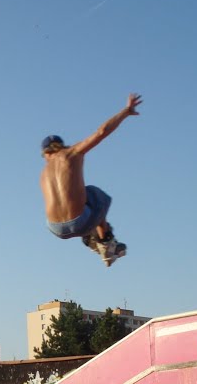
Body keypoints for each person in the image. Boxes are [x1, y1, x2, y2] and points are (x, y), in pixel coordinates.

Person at [40, 93, 143, 266]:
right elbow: (102, 132)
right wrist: (126, 111)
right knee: (95, 194)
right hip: (80, 221)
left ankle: (93, 239)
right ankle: (106, 244)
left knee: (83, 198)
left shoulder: (43, 174)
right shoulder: (72, 153)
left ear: (45, 154)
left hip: (55, 228)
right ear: (62, 147)